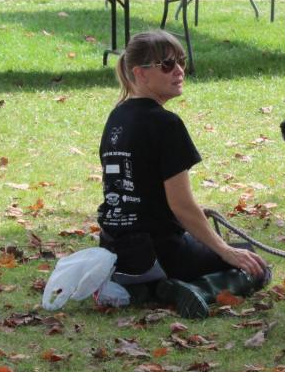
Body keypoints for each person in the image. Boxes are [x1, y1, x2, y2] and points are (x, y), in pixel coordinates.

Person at [96, 31, 270, 318]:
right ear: (140, 73)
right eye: (166, 64)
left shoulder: (117, 116)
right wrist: (226, 250)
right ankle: (193, 290)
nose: (179, 71)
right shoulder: (166, 124)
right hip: (160, 252)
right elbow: (181, 205)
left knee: (226, 250)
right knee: (254, 264)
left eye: (181, 61)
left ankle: (148, 289)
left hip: (116, 252)